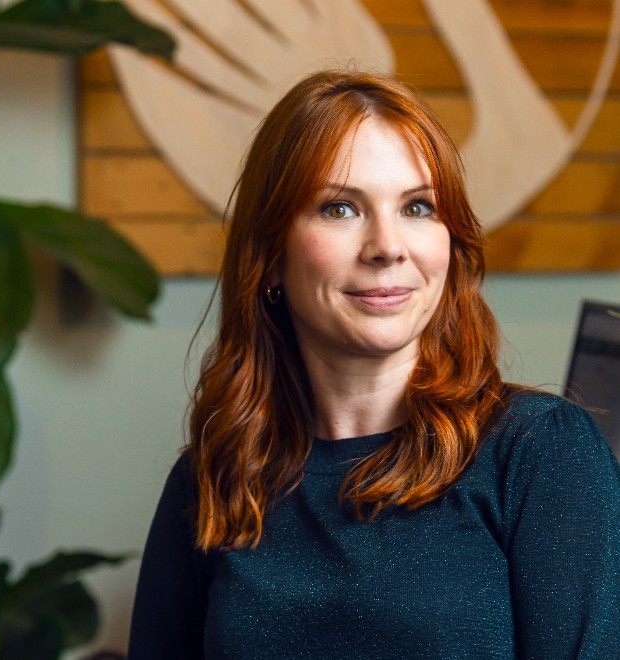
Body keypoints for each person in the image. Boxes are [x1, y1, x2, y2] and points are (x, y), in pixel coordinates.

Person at [128, 70, 620, 658]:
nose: (388, 246)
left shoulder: (540, 452)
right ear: (272, 255)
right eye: (340, 208)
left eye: (418, 207)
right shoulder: (213, 474)